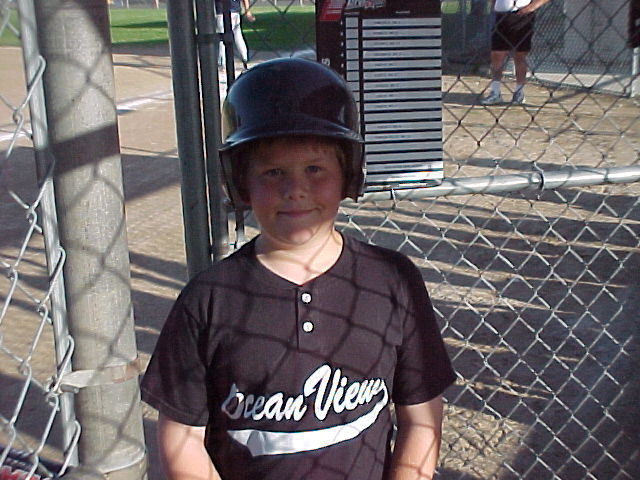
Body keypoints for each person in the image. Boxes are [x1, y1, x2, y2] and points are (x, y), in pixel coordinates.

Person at [141, 58, 457, 480]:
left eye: (315, 169)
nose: (295, 190)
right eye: (273, 172)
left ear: (348, 174)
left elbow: (421, 419)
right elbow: (182, 437)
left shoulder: (392, 280)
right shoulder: (210, 298)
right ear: (241, 182)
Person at [481, 0, 550, 105]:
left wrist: (530, 8)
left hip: (522, 17)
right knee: (496, 54)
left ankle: (519, 92)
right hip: (501, 16)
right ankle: (495, 92)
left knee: (519, 56)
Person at [215, 0, 254, 70]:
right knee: (238, 36)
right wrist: (247, 11)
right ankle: (245, 58)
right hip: (235, 11)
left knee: (223, 37)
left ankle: (222, 63)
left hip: (222, 12)